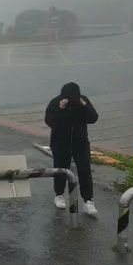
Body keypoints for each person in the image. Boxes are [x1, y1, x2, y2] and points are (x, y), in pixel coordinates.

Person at [44, 82, 99, 216]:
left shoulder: (82, 101)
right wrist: (60, 109)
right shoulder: (56, 102)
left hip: (80, 142)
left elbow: (93, 118)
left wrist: (84, 105)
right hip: (60, 142)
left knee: (85, 169)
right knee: (61, 169)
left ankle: (88, 201)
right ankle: (59, 194)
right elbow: (49, 121)